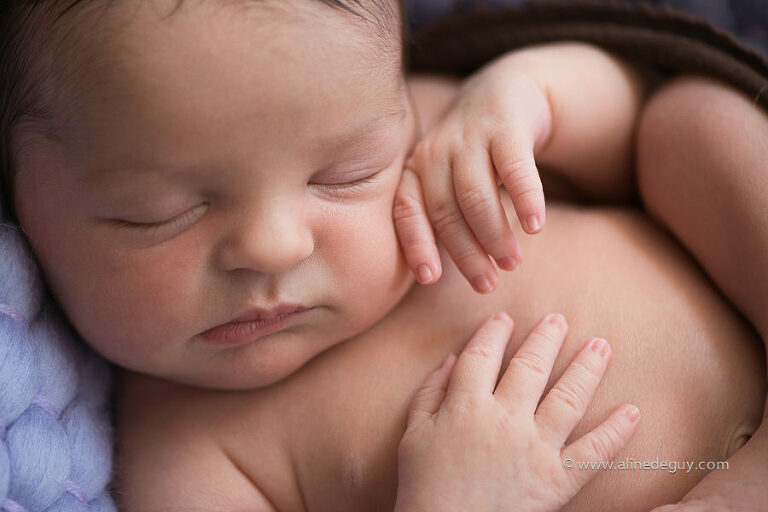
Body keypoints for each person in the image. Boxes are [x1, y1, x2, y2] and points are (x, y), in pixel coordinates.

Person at [1, 0, 765, 509]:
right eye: (158, 215)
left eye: (343, 177)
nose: (274, 247)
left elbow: (625, 131)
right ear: (23, 206)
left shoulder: (434, 147)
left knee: (688, 121)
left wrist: (529, 93)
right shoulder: (183, 456)